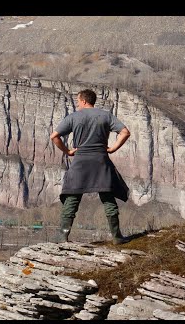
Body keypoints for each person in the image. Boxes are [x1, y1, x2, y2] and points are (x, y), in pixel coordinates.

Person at [50, 89, 131, 244]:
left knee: (72, 198)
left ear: (84, 101)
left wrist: (67, 151)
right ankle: (117, 237)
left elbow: (54, 136)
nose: (77, 103)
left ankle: (63, 236)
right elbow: (125, 132)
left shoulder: (74, 117)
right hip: (101, 160)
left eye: (78, 100)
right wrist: (113, 148)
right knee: (108, 197)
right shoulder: (106, 116)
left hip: (80, 161)